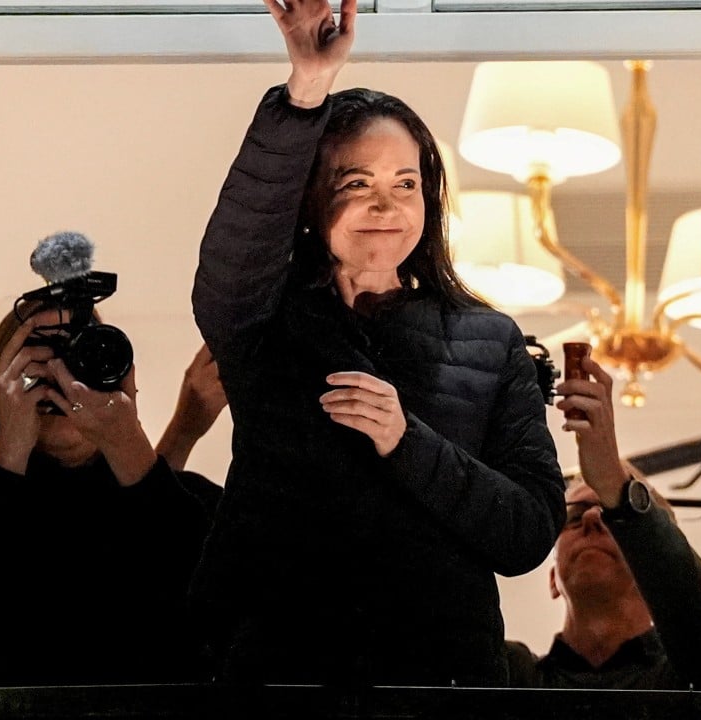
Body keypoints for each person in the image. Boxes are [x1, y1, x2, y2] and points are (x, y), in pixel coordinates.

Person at [189, 0, 564, 687]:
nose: (385, 206)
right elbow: (236, 249)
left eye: (405, 184)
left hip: (443, 681)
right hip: (280, 673)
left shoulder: (490, 339)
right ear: (310, 199)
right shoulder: (263, 320)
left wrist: (407, 441)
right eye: (355, 183)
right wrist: (305, 91)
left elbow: (528, 532)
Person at [0, 299, 227, 687]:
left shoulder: (185, 501)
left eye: (77, 356)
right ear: (1, 384)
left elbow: (204, 608)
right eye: (38, 358)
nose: (60, 377)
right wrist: (9, 447)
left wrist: (127, 440)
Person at [506, 356, 701, 691]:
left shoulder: (691, 679)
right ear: (553, 579)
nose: (591, 518)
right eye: (574, 517)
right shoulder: (512, 679)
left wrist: (614, 483)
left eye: (609, 513)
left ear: (653, 573)